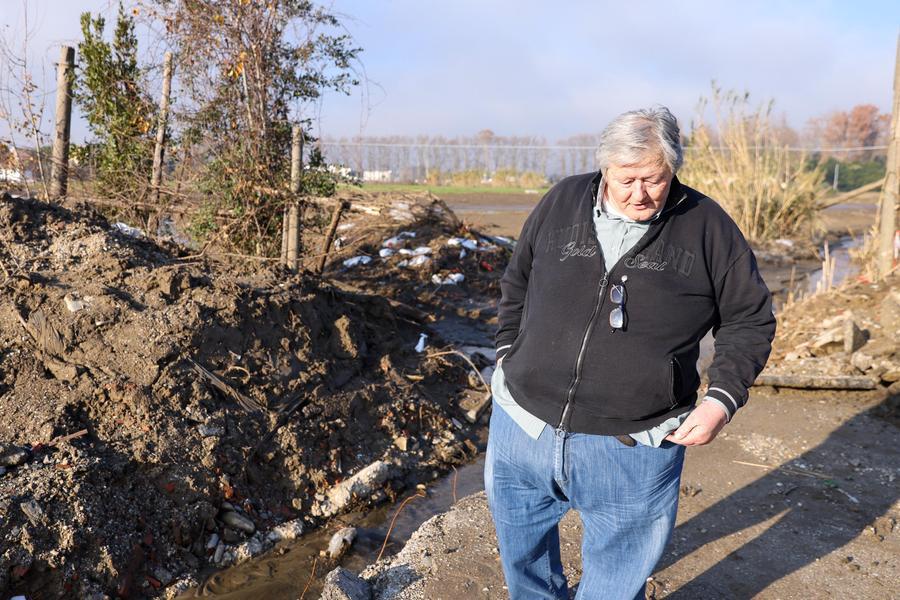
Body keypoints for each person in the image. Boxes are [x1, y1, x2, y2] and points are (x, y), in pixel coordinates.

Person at [485, 106, 776, 599]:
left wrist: (720, 401)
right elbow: (518, 280)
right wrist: (507, 351)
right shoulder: (561, 201)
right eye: (625, 179)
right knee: (524, 566)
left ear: (673, 169)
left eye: (653, 179)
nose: (639, 193)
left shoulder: (707, 226)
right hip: (523, 426)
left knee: (616, 583)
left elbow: (750, 319)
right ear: (604, 168)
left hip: (634, 446)